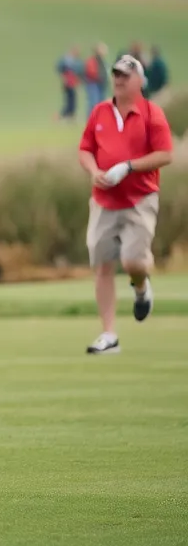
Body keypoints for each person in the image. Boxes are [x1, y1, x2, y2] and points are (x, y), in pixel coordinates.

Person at [78, 54, 174, 355]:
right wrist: (95, 172)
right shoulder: (100, 112)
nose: (118, 79)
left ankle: (142, 288)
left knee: (133, 262)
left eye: (125, 75)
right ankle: (109, 336)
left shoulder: (151, 113)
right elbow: (85, 149)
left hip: (139, 200)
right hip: (104, 201)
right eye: (116, 74)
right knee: (103, 266)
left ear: (139, 81)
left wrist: (128, 167)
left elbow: (165, 155)